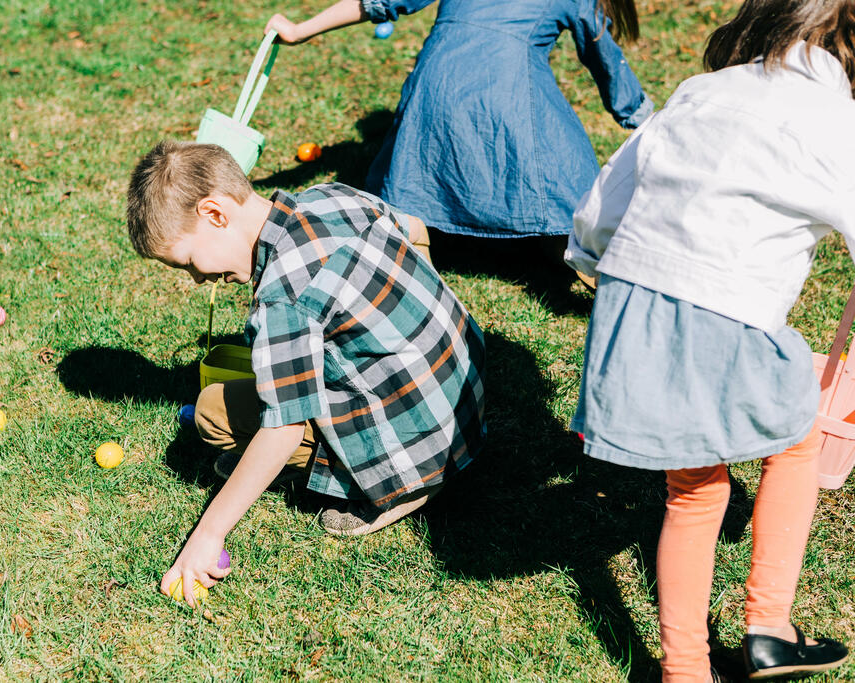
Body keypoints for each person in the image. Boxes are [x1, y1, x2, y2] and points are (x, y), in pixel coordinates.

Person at [564, 0, 855, 679]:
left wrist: (593, 260)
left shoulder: (702, 91)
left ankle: (686, 669)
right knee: (798, 438)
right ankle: (769, 627)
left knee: (693, 489)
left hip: (631, 304)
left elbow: (599, 212)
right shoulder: (837, 121)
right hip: (725, 306)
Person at [126, 140, 485, 606]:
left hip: (422, 446)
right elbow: (416, 229)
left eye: (190, 263)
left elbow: (285, 427)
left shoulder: (281, 297)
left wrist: (206, 536)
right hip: (465, 395)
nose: (197, 279)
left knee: (213, 413)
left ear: (215, 214)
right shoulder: (330, 196)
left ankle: (400, 493)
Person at [264, 0, 652, 242]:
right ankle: (576, 246)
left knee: (417, 167)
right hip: (508, 96)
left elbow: (376, 2)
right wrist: (642, 117)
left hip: (434, 90)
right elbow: (606, 61)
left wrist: (299, 30)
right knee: (575, 179)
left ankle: (418, 229)